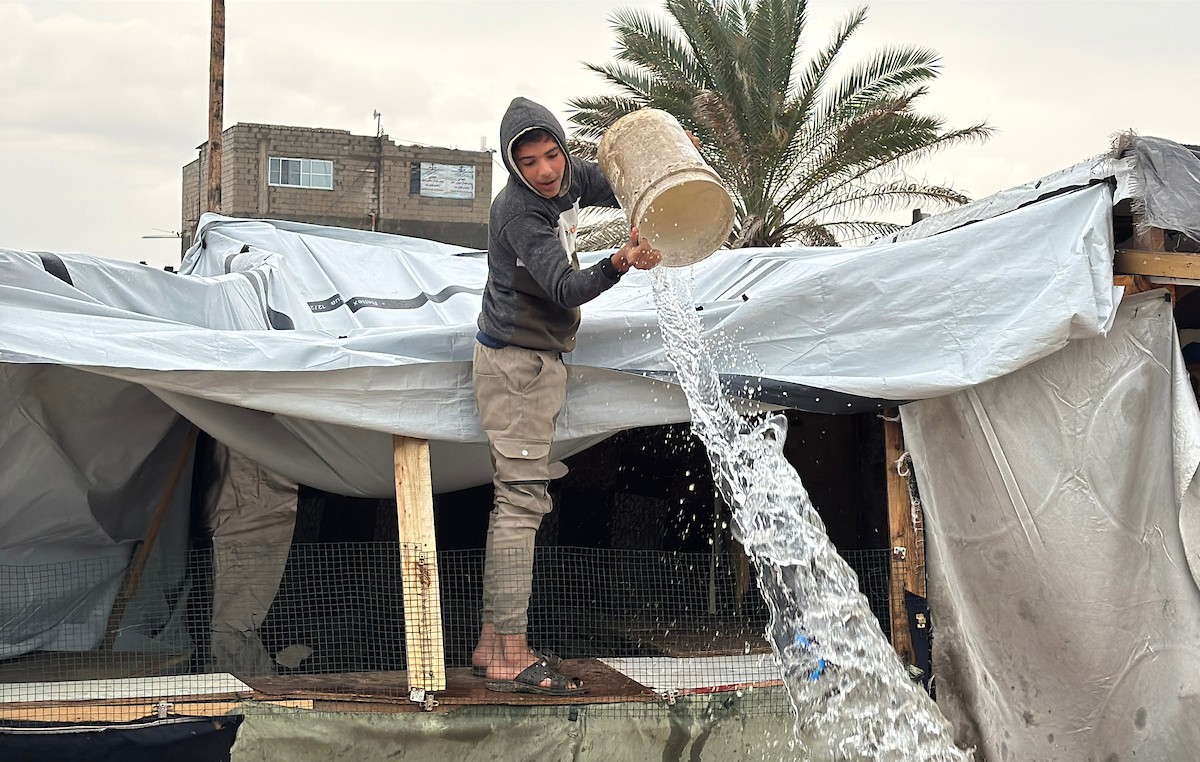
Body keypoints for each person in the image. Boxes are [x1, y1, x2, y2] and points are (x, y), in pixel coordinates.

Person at [470, 96, 662, 695]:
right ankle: (510, 653)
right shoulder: (517, 213)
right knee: (520, 502)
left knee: (518, 500)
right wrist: (620, 261)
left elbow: (625, 183)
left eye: (551, 155)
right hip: (516, 365)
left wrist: (663, 180)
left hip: (537, 358)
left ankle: (491, 646)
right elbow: (564, 286)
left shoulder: (570, 176)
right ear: (512, 165)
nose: (546, 171)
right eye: (528, 163)